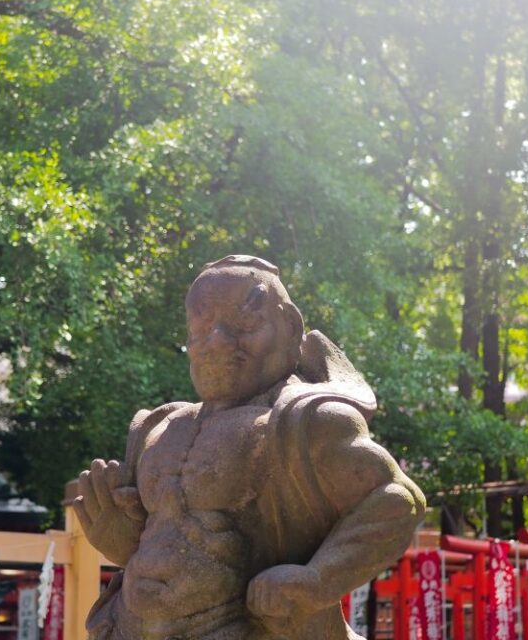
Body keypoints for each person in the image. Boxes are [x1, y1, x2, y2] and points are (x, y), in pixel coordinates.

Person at [74, 255, 425, 640]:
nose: (218, 340)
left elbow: (396, 500)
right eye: (202, 325)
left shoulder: (306, 422)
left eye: (244, 323)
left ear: (290, 328)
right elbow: (162, 537)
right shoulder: (159, 427)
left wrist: (318, 578)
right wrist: (121, 540)